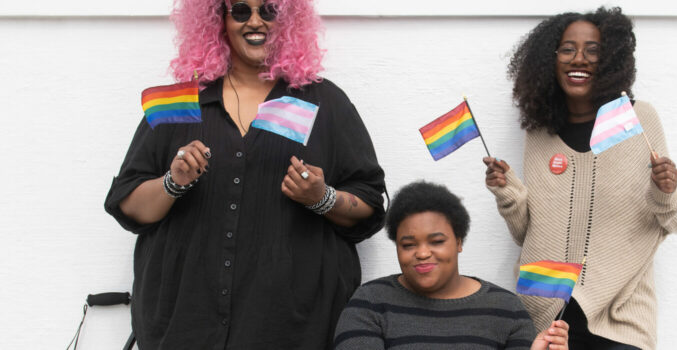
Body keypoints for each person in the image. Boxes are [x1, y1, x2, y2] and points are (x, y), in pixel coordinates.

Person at [104, 0, 386, 348]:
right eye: (240, 10)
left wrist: (322, 198)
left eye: (268, 10)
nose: (255, 21)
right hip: (186, 325)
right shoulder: (181, 102)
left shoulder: (324, 102)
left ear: (288, 19)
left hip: (292, 329)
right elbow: (128, 206)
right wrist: (172, 183)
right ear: (217, 19)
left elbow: (370, 204)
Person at [483, 7, 677, 350]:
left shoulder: (638, 119)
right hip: (546, 316)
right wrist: (508, 192)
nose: (578, 58)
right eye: (567, 49)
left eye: (593, 50)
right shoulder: (540, 132)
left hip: (620, 318)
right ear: (549, 60)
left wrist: (666, 190)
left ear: (611, 61)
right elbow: (527, 233)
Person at [334, 181, 569, 350]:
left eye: (436, 241)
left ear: (458, 242)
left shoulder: (507, 310)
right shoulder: (370, 303)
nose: (423, 253)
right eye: (408, 245)